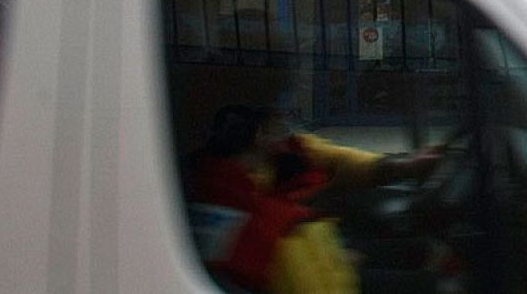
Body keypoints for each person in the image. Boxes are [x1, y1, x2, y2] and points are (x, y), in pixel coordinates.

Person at [184, 105, 439, 293]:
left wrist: (403, 165)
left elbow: (343, 160)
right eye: (279, 124)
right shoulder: (228, 195)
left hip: (328, 248)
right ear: (260, 136)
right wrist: (338, 257)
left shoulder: (293, 151)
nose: (287, 130)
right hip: (321, 263)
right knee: (428, 283)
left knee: (421, 254)